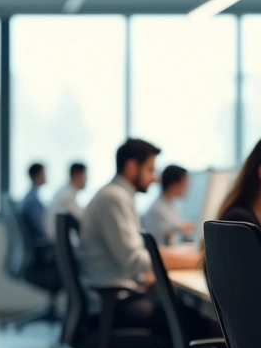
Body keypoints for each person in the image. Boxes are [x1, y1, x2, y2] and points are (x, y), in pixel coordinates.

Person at [79, 139, 201, 334]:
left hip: (112, 296)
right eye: (150, 170)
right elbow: (136, 261)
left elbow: (135, 258)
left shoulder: (115, 195)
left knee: (182, 310)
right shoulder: (114, 198)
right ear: (131, 167)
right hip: (114, 303)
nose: (154, 179)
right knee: (196, 323)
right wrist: (194, 262)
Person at [142, 164, 196, 246]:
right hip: (162, 250)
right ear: (173, 184)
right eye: (184, 183)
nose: (187, 187)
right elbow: (176, 229)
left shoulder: (173, 205)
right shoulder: (158, 208)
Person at [44, 162, 87, 241]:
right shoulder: (67, 196)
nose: (86, 181)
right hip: (56, 241)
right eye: (85, 176)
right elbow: (82, 217)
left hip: (58, 239)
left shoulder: (64, 191)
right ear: (76, 176)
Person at [20, 162, 49, 246]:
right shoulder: (32, 200)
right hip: (40, 243)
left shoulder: (31, 197)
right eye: (43, 173)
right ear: (37, 176)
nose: (46, 176)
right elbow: (40, 227)